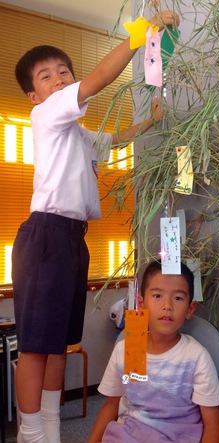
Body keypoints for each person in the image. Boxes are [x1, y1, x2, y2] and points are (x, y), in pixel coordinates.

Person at [12, 10, 180, 443]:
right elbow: (100, 78)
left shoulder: (76, 133)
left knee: (56, 343)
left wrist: (152, 120)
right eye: (47, 77)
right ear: (35, 96)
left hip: (71, 239)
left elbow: (117, 139)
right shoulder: (47, 115)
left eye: (64, 71)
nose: (61, 79)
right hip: (46, 236)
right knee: (35, 346)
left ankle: (49, 427)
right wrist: (141, 32)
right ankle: (32, 434)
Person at [89, 261, 219, 443]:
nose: (167, 305)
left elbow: (213, 425)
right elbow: (111, 405)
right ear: (141, 303)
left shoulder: (196, 357)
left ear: (190, 309)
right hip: (126, 435)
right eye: (158, 295)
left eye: (177, 298)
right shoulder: (128, 348)